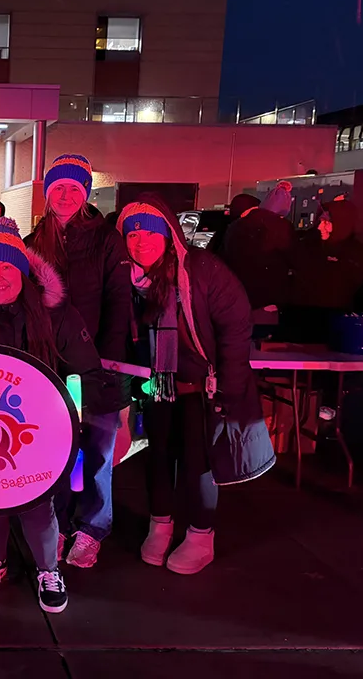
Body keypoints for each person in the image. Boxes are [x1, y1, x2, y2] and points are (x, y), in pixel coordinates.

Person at [0, 217, 101, 613]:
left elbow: (86, 372)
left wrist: (79, 425)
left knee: (37, 504)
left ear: (24, 272)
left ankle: (48, 568)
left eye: (7, 266)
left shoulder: (56, 316)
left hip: (37, 430)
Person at [118, 195, 275, 575]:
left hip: (201, 386)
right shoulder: (130, 279)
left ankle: (201, 535)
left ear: (169, 234)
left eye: (150, 233)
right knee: (157, 458)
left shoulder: (202, 270)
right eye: (132, 234)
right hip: (158, 386)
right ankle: (161, 524)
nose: (141, 241)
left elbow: (236, 326)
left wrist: (230, 387)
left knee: (198, 462)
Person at [26, 154, 133, 570]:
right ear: (49, 194)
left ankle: (92, 528)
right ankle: (60, 523)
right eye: (59, 188)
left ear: (85, 193)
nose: (66, 195)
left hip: (99, 363)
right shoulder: (36, 238)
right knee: (57, 450)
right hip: (50, 364)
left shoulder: (106, 238)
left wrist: (110, 360)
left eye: (75, 188)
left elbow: (118, 301)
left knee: (99, 450)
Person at [220, 182, 295, 310]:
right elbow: (294, 258)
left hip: (239, 293)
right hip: (267, 297)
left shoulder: (237, 225)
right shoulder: (281, 227)